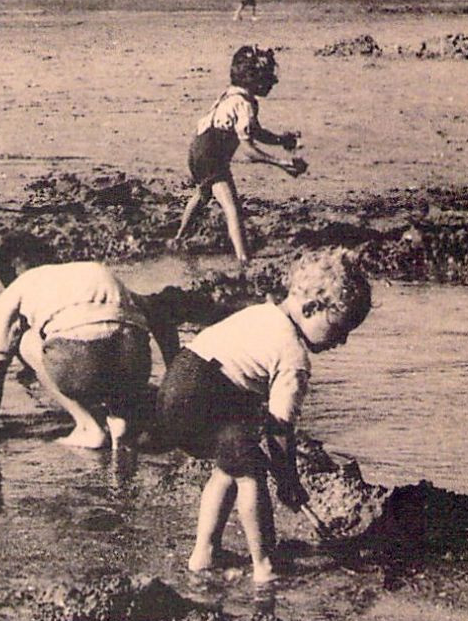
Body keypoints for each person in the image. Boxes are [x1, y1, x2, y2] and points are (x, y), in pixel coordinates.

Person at [151, 247, 372, 584]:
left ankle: (204, 554)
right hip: (202, 395)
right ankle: (264, 565)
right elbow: (280, 428)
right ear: (312, 308)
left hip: (176, 387)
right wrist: (288, 480)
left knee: (228, 468)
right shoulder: (293, 355)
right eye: (339, 329)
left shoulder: (262, 313)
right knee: (251, 473)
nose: (341, 341)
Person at [0, 234, 180, 449]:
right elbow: (161, 320)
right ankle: (121, 419)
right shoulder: (91, 268)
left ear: (8, 275)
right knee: (118, 332)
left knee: (24, 341)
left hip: (79, 361)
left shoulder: (16, 289)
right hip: (133, 362)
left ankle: (88, 427)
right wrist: (172, 388)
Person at [171, 46, 307, 264]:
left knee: (203, 194)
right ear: (254, 80)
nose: (273, 82)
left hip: (196, 151)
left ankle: (179, 237)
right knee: (232, 207)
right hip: (211, 157)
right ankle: (243, 258)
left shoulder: (231, 94)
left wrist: (281, 140)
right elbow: (249, 150)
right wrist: (281, 163)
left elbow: (256, 132)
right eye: (267, 77)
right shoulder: (245, 104)